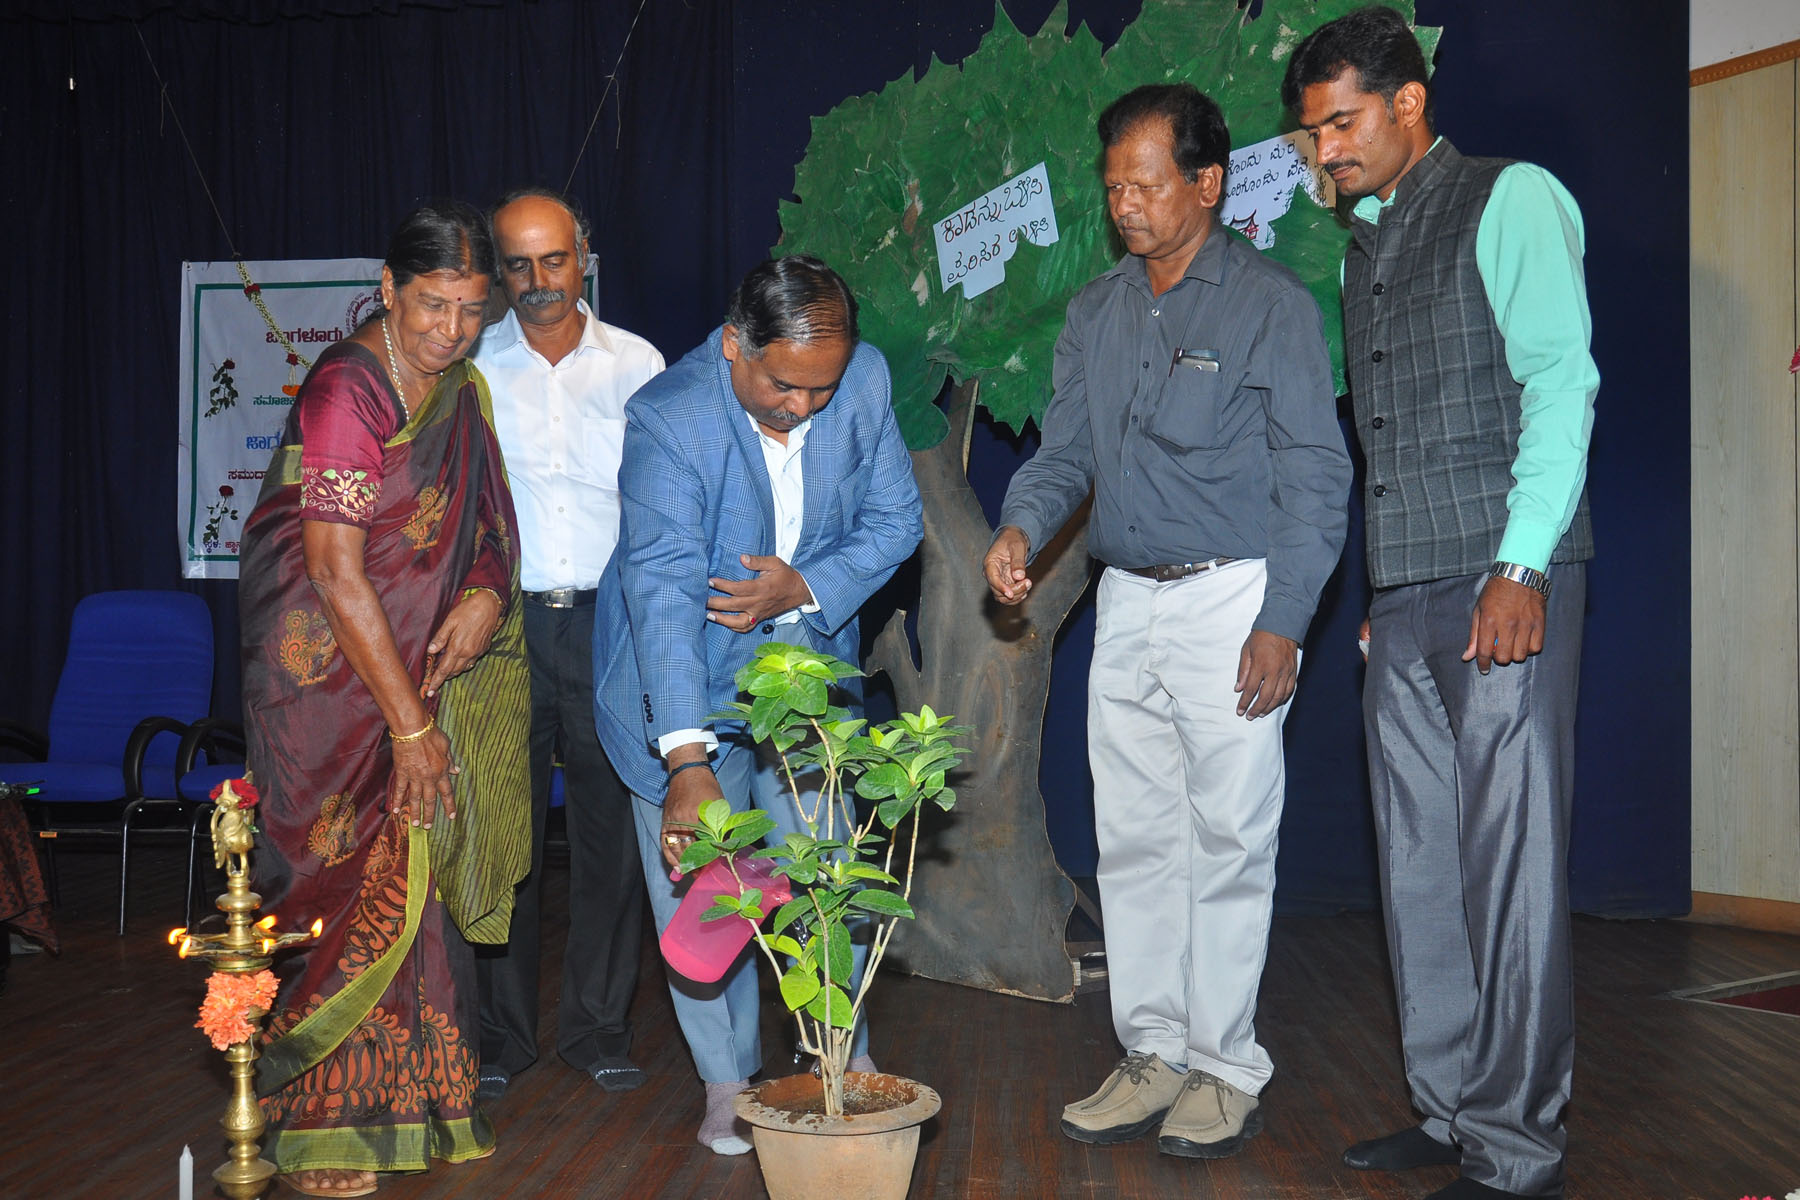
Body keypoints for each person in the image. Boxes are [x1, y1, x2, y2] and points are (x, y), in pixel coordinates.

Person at [984, 83, 1349, 1160]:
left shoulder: (1272, 305)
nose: (1127, 204)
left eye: (1147, 184)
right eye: (1113, 187)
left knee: (1228, 838)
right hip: (1127, 599)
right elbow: (1063, 458)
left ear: (1208, 182)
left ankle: (1225, 1065)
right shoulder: (1096, 312)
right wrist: (1020, 532)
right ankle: (1151, 1050)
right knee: (1135, 839)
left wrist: (1284, 620)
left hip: (1235, 596)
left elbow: (1316, 477)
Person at [1283, 8, 1598, 1199]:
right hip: (1409, 596)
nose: (1325, 151)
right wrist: (1386, 590)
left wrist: (1520, 567)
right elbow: (1389, 440)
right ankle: (1454, 1107)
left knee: (1506, 866)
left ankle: (1517, 1148)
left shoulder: (1511, 197)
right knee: (1418, 863)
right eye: (1312, 133)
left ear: (1409, 103)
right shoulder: (1362, 242)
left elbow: (1562, 384)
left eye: (1343, 123)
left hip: (1503, 585)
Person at [591, 254, 922, 1154]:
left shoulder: (861, 382)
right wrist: (687, 763)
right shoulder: (672, 419)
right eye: (783, 385)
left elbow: (896, 521)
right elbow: (658, 590)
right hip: (680, 683)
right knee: (707, 897)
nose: (804, 408)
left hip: (803, 681)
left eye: (823, 389)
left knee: (825, 877)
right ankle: (727, 1080)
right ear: (735, 345)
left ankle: (837, 1064)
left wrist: (805, 586)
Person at [238, 201, 531, 1199]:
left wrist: (487, 593)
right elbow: (333, 567)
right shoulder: (346, 393)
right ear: (389, 286)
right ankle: (323, 1128)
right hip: (324, 687)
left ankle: (410, 1104)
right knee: (337, 878)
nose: (450, 331)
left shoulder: (464, 392)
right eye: (433, 306)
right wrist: (408, 728)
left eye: (471, 309)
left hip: (416, 669)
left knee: (415, 886)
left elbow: (489, 518)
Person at [470, 187, 664, 1102]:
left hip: (608, 622)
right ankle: (499, 1039)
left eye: (555, 260)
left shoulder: (638, 363)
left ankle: (597, 1031)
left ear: (584, 254)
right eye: (519, 264)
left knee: (607, 838)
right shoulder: (471, 366)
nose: (540, 282)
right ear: (498, 269)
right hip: (500, 626)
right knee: (502, 835)